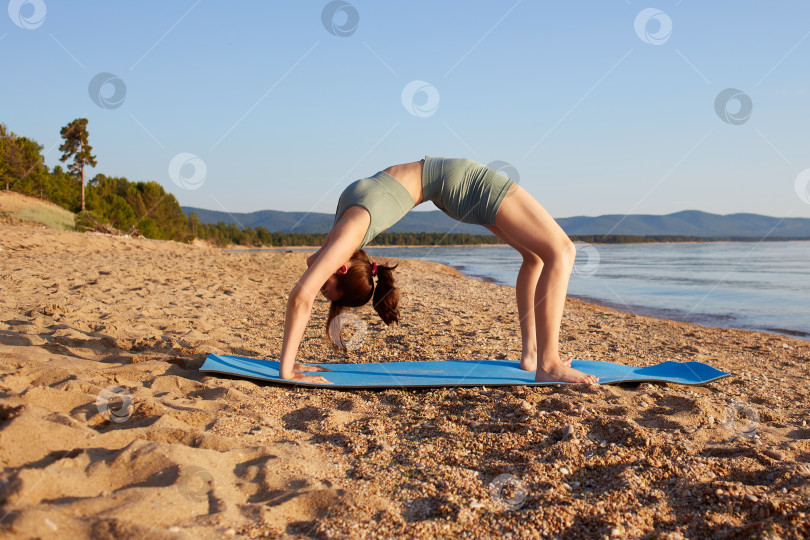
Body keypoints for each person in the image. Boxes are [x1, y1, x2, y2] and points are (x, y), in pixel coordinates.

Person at [279, 157, 599, 385]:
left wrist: (288, 367)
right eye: (326, 285)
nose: (319, 282)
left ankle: (534, 357)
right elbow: (304, 291)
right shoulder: (346, 232)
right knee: (562, 251)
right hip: (456, 182)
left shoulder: (343, 234)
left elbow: (302, 293)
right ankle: (548, 363)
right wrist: (289, 367)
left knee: (540, 257)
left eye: (324, 285)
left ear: (342, 266)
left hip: (453, 183)